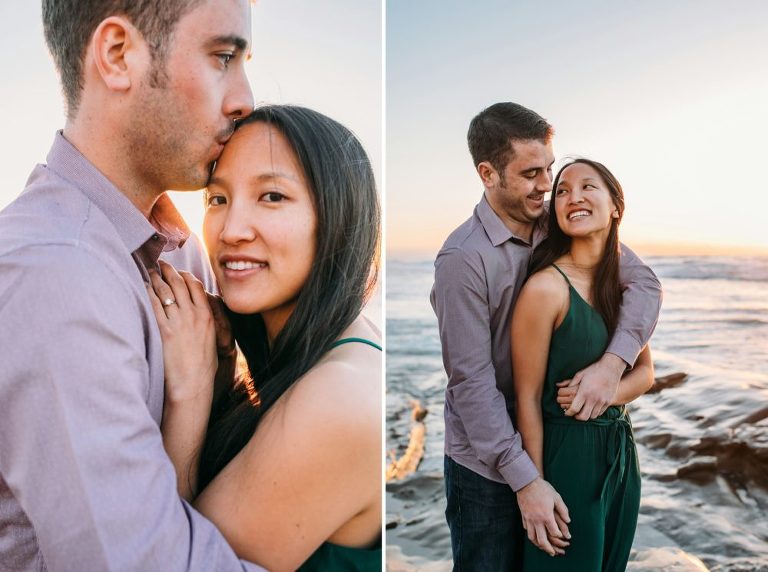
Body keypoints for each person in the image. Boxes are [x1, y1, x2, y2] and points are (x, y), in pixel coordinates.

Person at [0, 1, 262, 569]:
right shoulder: (56, 274)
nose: (245, 98)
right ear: (119, 56)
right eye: (223, 57)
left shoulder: (184, 248)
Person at [146, 105, 382, 572]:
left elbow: (171, 564)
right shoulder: (329, 346)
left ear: (337, 216)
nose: (231, 231)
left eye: (272, 196)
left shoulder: (336, 400)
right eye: (217, 199)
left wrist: (189, 394)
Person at [430, 102, 662, 570]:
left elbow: (644, 284)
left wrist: (611, 367)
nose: (547, 185)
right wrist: (526, 481)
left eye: (549, 169)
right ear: (488, 173)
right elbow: (472, 384)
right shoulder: (463, 259)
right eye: (532, 172)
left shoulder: (559, 225)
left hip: (555, 447)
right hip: (489, 467)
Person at [512, 158, 655, 570]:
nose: (572, 196)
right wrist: (533, 486)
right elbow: (525, 399)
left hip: (621, 457)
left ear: (615, 206)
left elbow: (645, 372)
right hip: (565, 460)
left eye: (588, 187)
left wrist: (608, 388)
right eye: (561, 191)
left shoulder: (626, 289)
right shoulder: (545, 289)